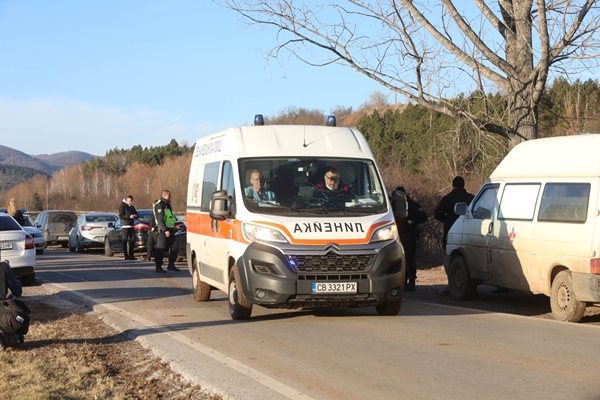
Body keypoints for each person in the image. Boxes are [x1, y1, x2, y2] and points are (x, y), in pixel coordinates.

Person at [392, 187, 428, 292]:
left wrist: (411, 222)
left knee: (409, 258)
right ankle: (401, 282)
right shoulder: (392, 206)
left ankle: (411, 282)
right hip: (397, 236)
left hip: (409, 235)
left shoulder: (412, 205)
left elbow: (423, 217)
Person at [434, 176, 474, 250]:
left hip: (450, 230)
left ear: (453, 185)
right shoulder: (471, 198)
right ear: (463, 185)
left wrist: (447, 219)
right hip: (467, 231)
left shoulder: (447, 198)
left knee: (450, 254)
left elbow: (437, 214)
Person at [153, 190, 179, 273]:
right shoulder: (159, 205)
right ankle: (158, 266)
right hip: (163, 230)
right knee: (161, 249)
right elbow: (160, 220)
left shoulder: (168, 205)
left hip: (171, 229)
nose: (170, 197)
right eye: (169, 196)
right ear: (164, 195)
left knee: (175, 247)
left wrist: (174, 225)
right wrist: (165, 230)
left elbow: (170, 217)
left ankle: (171, 265)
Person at [118, 195, 138, 260]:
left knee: (133, 240)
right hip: (125, 226)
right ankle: (126, 256)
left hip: (131, 225)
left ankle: (131, 255)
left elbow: (136, 214)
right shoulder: (122, 206)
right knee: (125, 240)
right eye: (129, 201)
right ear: (126, 200)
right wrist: (129, 217)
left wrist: (135, 215)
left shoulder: (132, 207)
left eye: (131, 201)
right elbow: (121, 216)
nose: (130, 202)